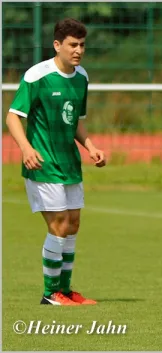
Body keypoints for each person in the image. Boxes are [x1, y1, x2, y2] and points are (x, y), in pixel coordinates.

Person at [5, 18, 106, 306]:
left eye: (82, 45)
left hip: (69, 163)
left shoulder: (82, 77)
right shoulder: (37, 76)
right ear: (57, 45)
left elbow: (75, 121)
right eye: (73, 45)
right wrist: (26, 148)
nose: (78, 51)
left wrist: (91, 146)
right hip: (43, 163)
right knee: (59, 224)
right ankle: (50, 294)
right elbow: (13, 116)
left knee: (73, 224)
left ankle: (65, 288)